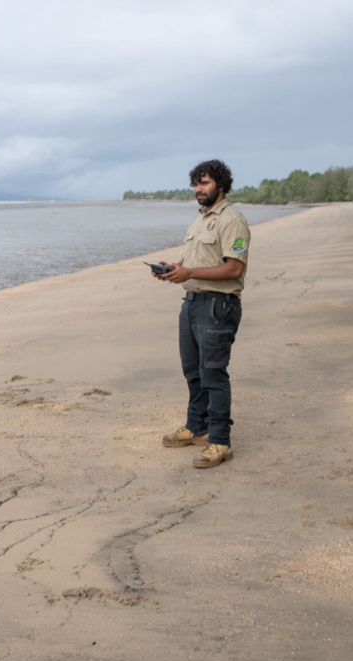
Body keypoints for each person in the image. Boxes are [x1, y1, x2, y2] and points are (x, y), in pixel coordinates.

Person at [153, 159, 250, 469]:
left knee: (213, 374)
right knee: (193, 371)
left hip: (217, 306)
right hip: (192, 303)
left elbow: (234, 267)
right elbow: (196, 260)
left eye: (204, 183)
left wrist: (190, 271)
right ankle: (197, 426)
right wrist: (175, 269)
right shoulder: (199, 220)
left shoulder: (233, 221)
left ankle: (220, 442)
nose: (198, 189)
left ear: (221, 185)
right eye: (195, 184)